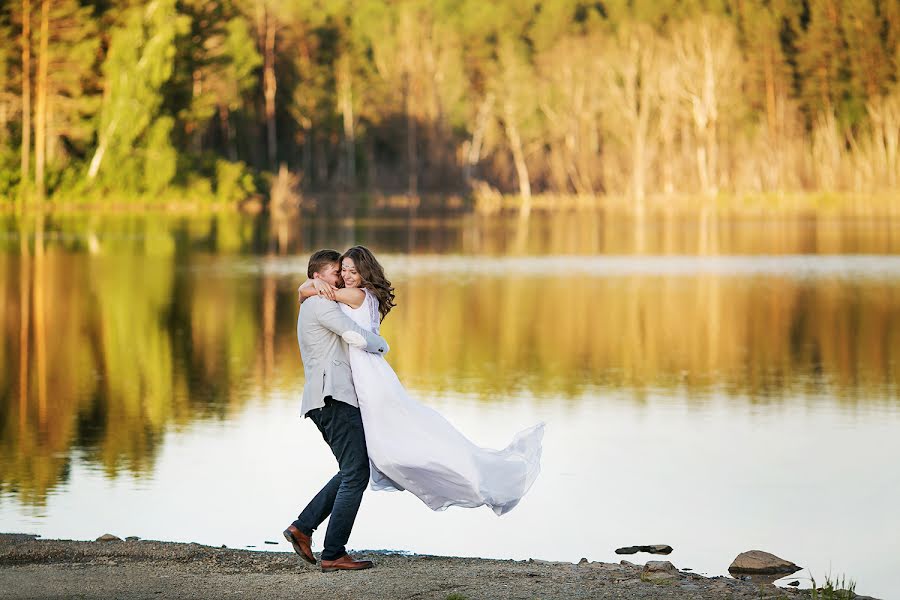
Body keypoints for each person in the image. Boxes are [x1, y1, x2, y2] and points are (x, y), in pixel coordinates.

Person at [298, 246, 544, 517]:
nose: (344, 276)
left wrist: (311, 284)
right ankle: (310, 530)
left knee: (383, 451)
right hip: (357, 381)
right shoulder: (345, 299)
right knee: (368, 461)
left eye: (350, 271)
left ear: (364, 272)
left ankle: (457, 471)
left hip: (368, 378)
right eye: (340, 271)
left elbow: (319, 299)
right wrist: (311, 282)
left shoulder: (354, 294)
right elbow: (313, 295)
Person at [284, 249, 390, 573]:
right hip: (333, 399)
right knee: (357, 472)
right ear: (317, 277)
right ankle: (333, 553)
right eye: (335, 273)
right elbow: (353, 335)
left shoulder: (314, 299)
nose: (339, 279)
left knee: (350, 470)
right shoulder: (319, 304)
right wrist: (383, 345)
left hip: (326, 399)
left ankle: (303, 527)